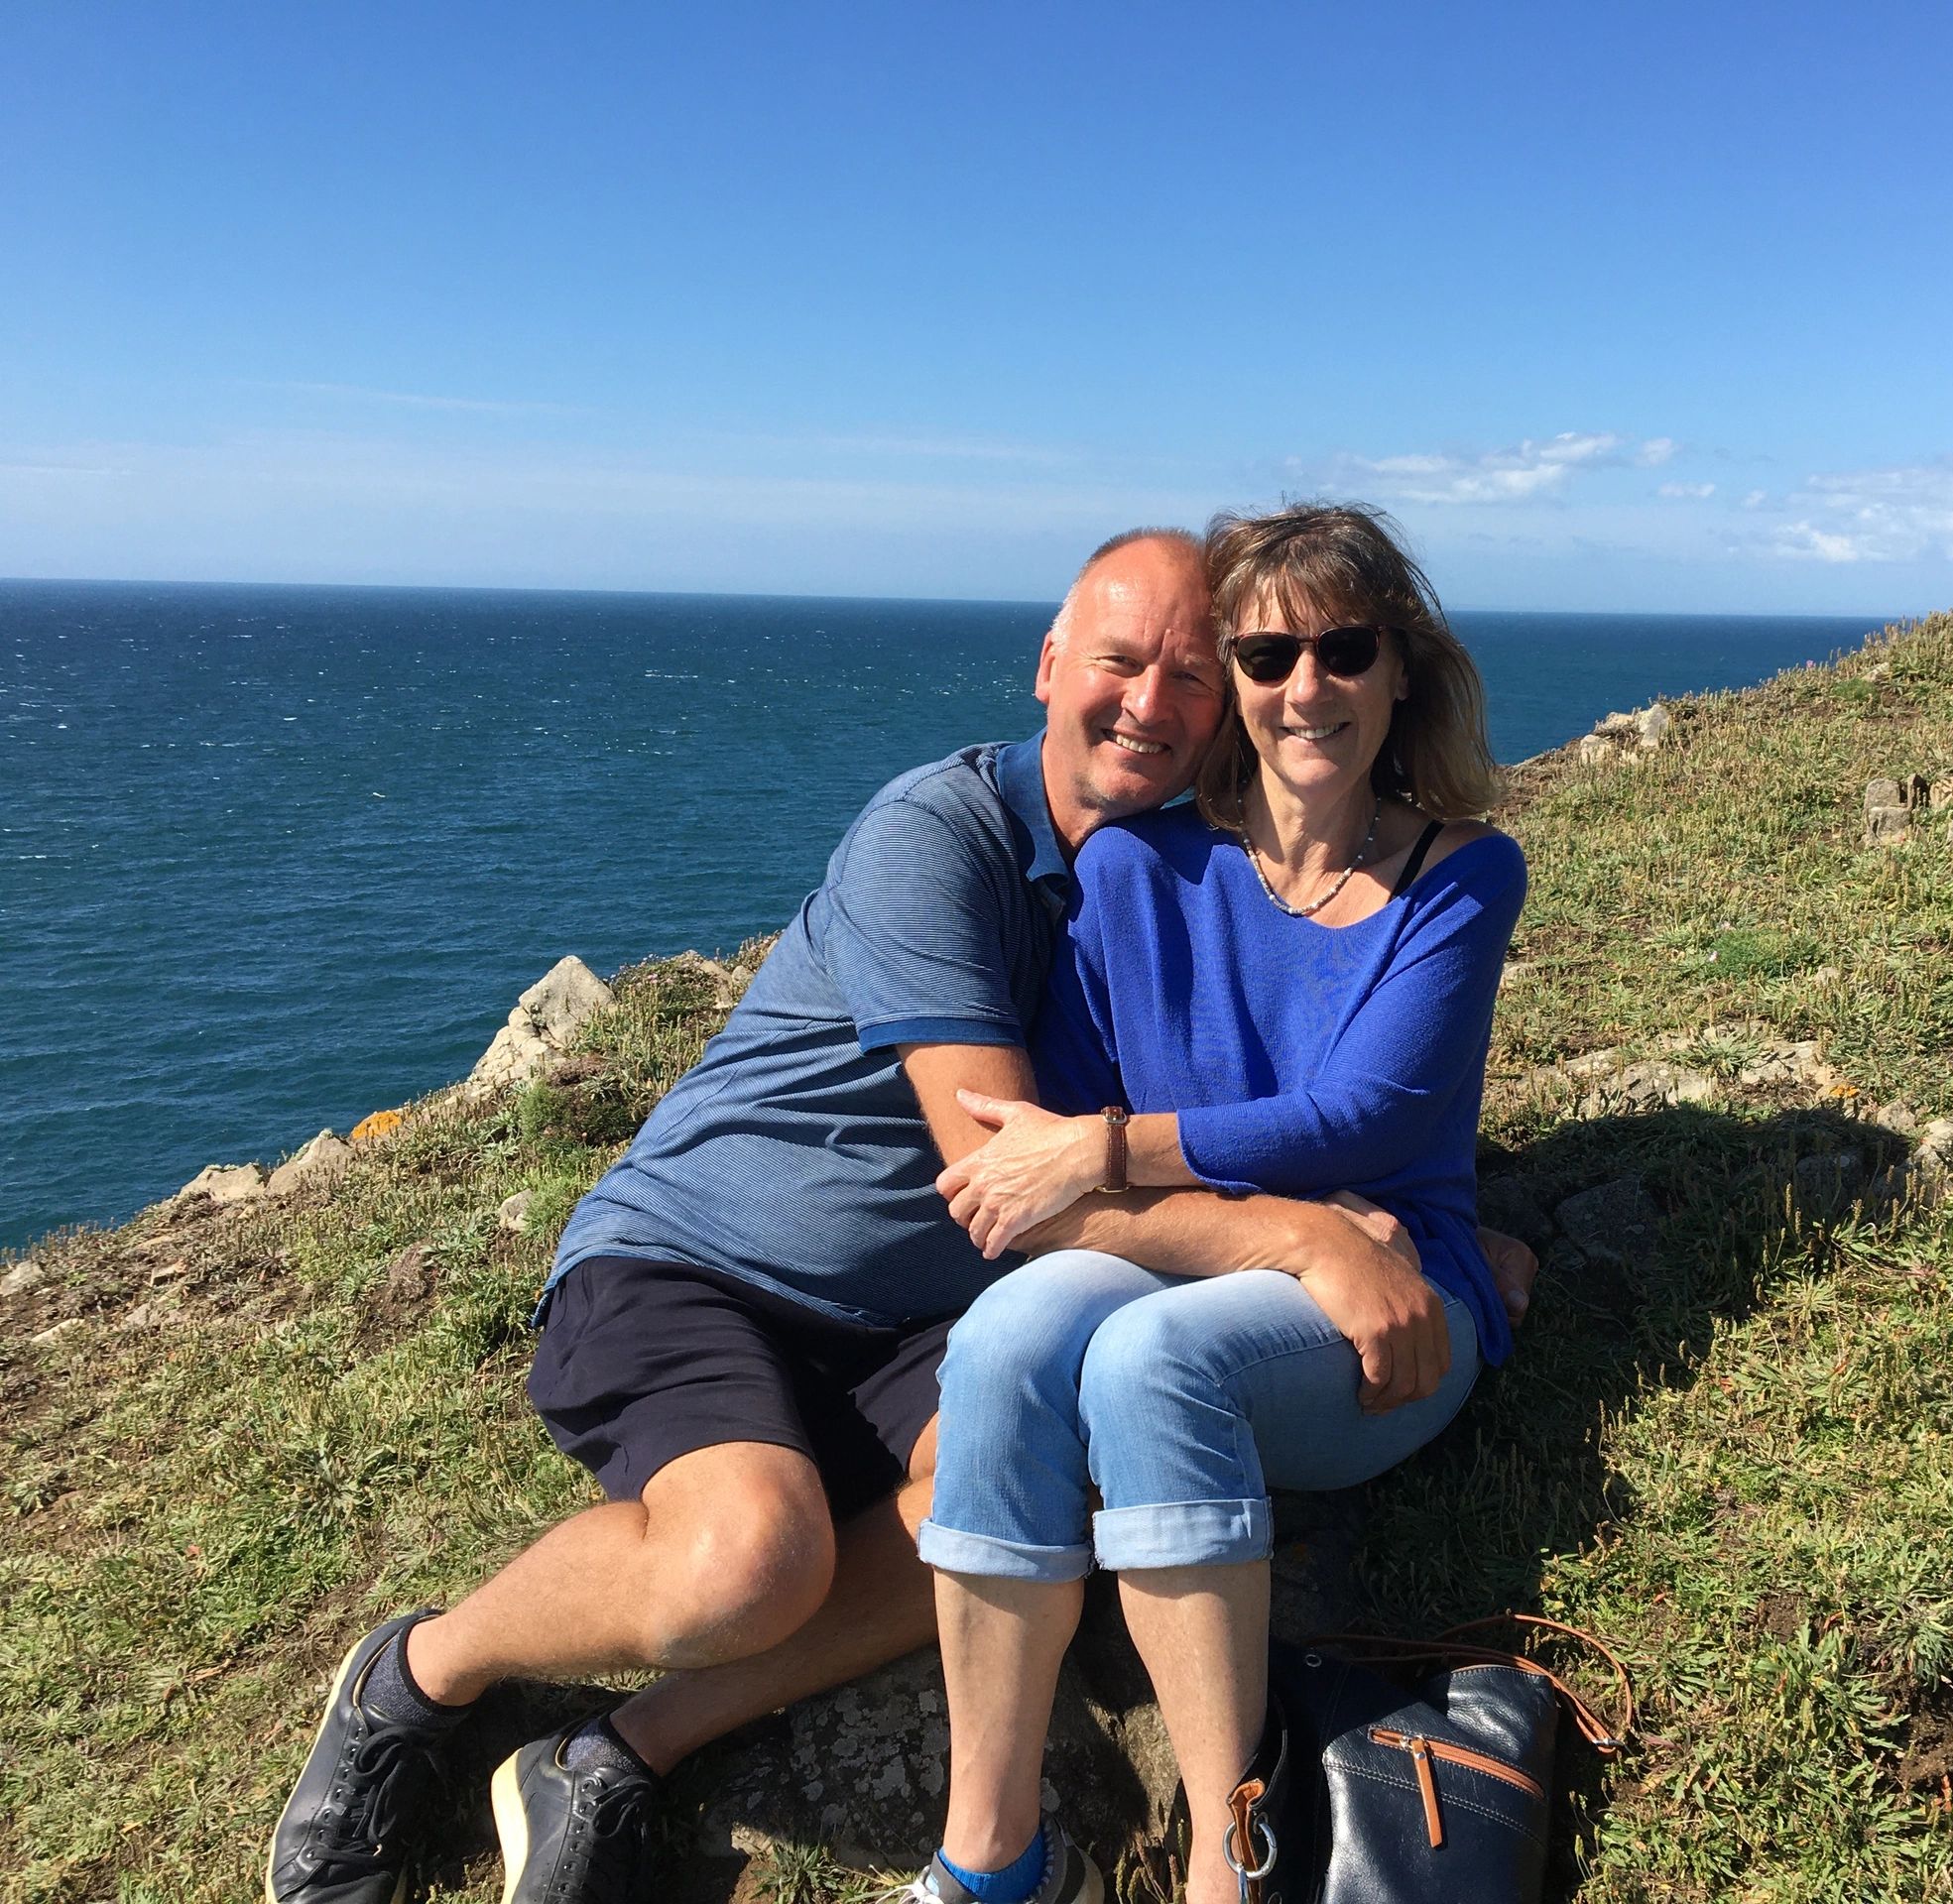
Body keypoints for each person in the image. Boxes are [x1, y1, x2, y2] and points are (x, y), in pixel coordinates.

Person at [261, 530, 1518, 1904]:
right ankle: (416, 1676)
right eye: (1122, 661)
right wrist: (1304, 1238)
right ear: (1048, 666)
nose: (1154, 703)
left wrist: (1446, 1235)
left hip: (918, 1313)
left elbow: (1291, 1096)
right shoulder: (942, 841)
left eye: (1197, 671)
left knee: (1029, 1450)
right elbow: (1024, 1187)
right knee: (753, 1556)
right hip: (708, 1265)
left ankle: (626, 1752)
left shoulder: (1160, 864)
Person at [908, 503, 1526, 1904]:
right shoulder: (1136, 870)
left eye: (1345, 649)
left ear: (1400, 675)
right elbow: (1040, 1160)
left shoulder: (1461, 875)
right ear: (1237, 688)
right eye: (1264, 656)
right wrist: (1260, 1206)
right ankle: (988, 1854)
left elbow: (1366, 1113)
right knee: (1004, 1340)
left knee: (1149, 1355)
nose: (1305, 687)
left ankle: (1220, 1847)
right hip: (1211, 1255)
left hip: (1394, 1291)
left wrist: (1113, 1147)